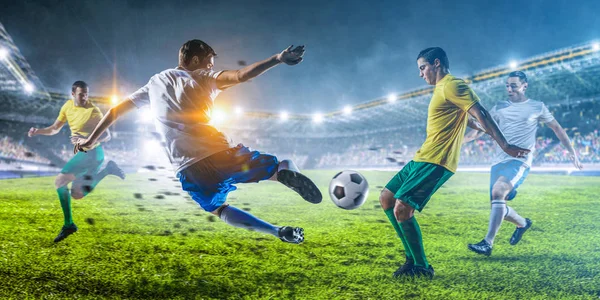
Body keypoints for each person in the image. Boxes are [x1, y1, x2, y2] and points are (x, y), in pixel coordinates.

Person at [75, 40, 321, 244]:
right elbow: (241, 75)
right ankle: (285, 174)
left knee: (219, 209)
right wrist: (277, 58)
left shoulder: (154, 82)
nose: (211, 67)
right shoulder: (203, 77)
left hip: (187, 168)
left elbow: (115, 111)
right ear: (195, 61)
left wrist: (89, 140)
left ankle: (277, 231)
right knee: (281, 165)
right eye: (209, 63)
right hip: (220, 152)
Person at [379, 47, 530, 279]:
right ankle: (411, 257)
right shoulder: (441, 89)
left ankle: (421, 267)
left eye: (423, 68)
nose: (420, 74)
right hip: (421, 156)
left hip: (436, 160)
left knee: (402, 208)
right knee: (387, 198)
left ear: (436, 63)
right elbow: (467, 117)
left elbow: (481, 112)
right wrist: (478, 128)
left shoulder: (452, 84)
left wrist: (505, 145)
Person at [465, 70, 583, 256]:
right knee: (498, 204)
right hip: (498, 161)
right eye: (507, 85)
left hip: (519, 160)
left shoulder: (537, 107)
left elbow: (557, 128)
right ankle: (522, 223)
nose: (509, 88)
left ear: (524, 86)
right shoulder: (499, 107)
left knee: (498, 192)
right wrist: (460, 142)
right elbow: (480, 130)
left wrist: (572, 152)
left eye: (513, 85)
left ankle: (487, 243)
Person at [28, 81, 125, 242]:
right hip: (88, 154)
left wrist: (87, 140)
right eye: (81, 94)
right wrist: (38, 131)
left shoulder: (93, 111)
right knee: (77, 194)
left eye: (87, 93)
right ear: (73, 94)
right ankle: (108, 170)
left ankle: (68, 225)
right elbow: (54, 128)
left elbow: (107, 135)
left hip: (92, 152)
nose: (85, 97)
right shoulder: (67, 106)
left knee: (60, 181)